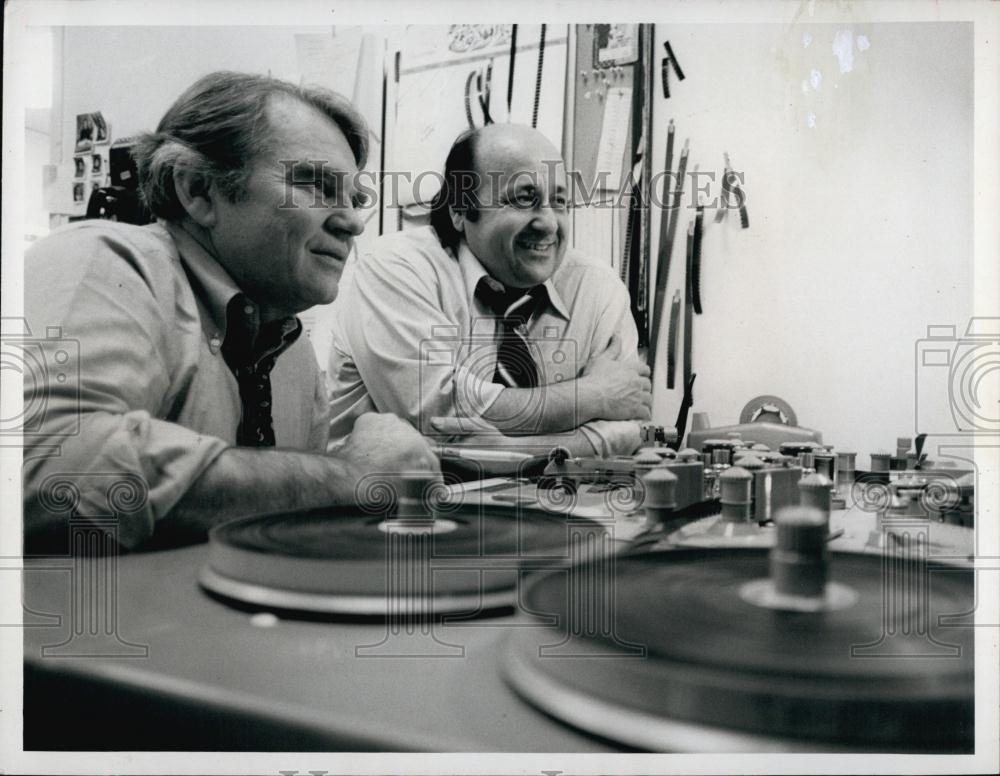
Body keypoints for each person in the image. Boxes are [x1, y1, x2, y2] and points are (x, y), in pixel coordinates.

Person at [22, 71, 437, 551]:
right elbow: (52, 467)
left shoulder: (292, 350)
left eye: (355, 199)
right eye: (318, 186)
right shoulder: (105, 259)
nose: (353, 221)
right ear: (200, 190)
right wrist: (351, 476)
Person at [327, 124, 652, 456]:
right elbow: (439, 420)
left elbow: (631, 418)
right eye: (524, 199)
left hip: (561, 504)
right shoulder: (396, 268)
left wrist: (495, 441)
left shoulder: (597, 289)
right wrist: (592, 397)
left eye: (559, 202)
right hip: (393, 503)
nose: (549, 224)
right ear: (459, 209)